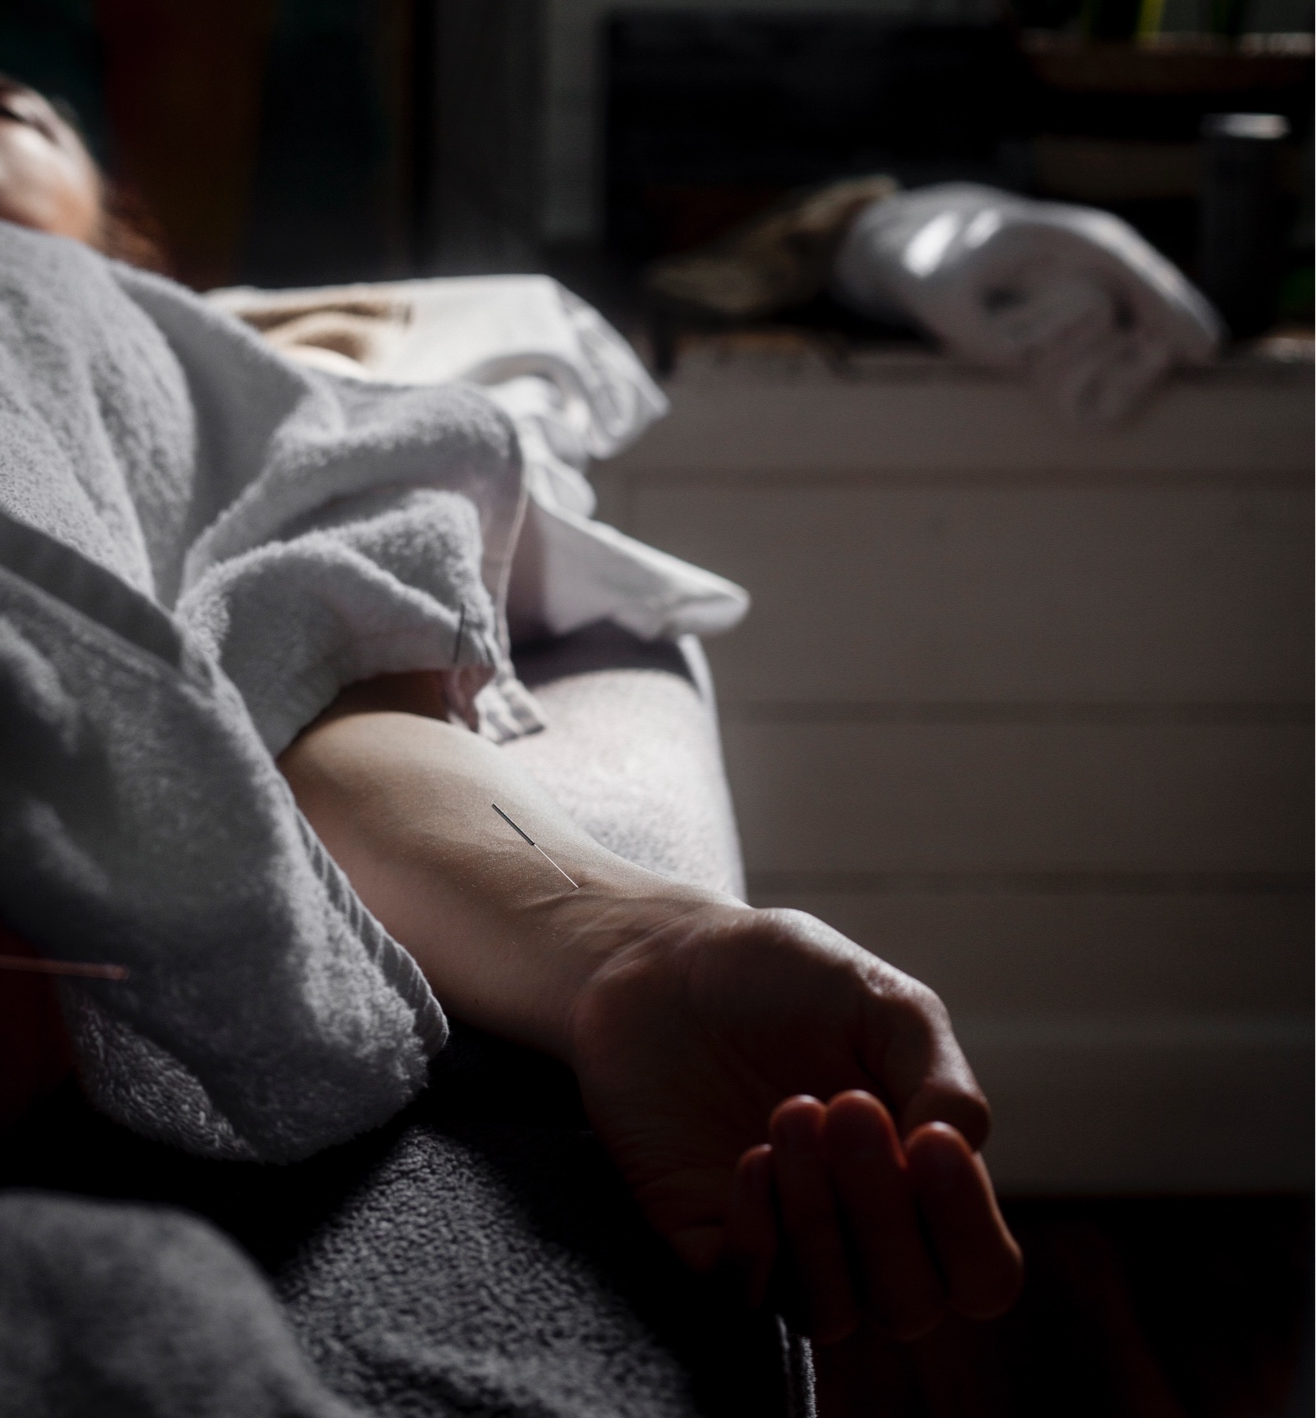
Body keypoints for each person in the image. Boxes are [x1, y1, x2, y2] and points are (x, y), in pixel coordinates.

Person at [0, 79, 1022, 1397]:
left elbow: (318, 668)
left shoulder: (137, 336)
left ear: (119, 239)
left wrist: (627, 946)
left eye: (16, 109)